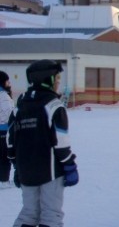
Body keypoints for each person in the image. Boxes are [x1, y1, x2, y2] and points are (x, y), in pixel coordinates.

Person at [8, 60, 79, 227]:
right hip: (50, 170)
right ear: (47, 80)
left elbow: (10, 142)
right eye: (57, 79)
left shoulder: (19, 107)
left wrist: (17, 166)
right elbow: (61, 143)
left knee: (29, 213)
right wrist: (69, 165)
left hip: (26, 169)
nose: (59, 83)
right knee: (51, 214)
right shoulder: (54, 106)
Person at [0, 70, 14, 189]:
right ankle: (4, 180)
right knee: (5, 156)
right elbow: (9, 114)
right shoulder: (4, 96)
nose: (9, 83)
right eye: (7, 81)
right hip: (4, 131)